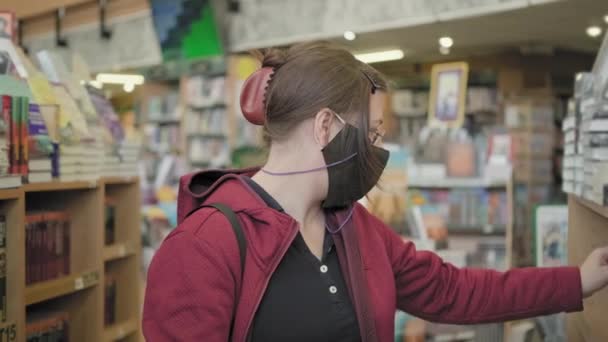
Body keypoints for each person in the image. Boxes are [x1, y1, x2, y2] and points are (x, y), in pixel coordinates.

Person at [143, 42, 608, 342]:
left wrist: (576, 281)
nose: (376, 149)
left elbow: (453, 290)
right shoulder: (203, 246)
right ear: (326, 126)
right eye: (372, 132)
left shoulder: (353, 227)